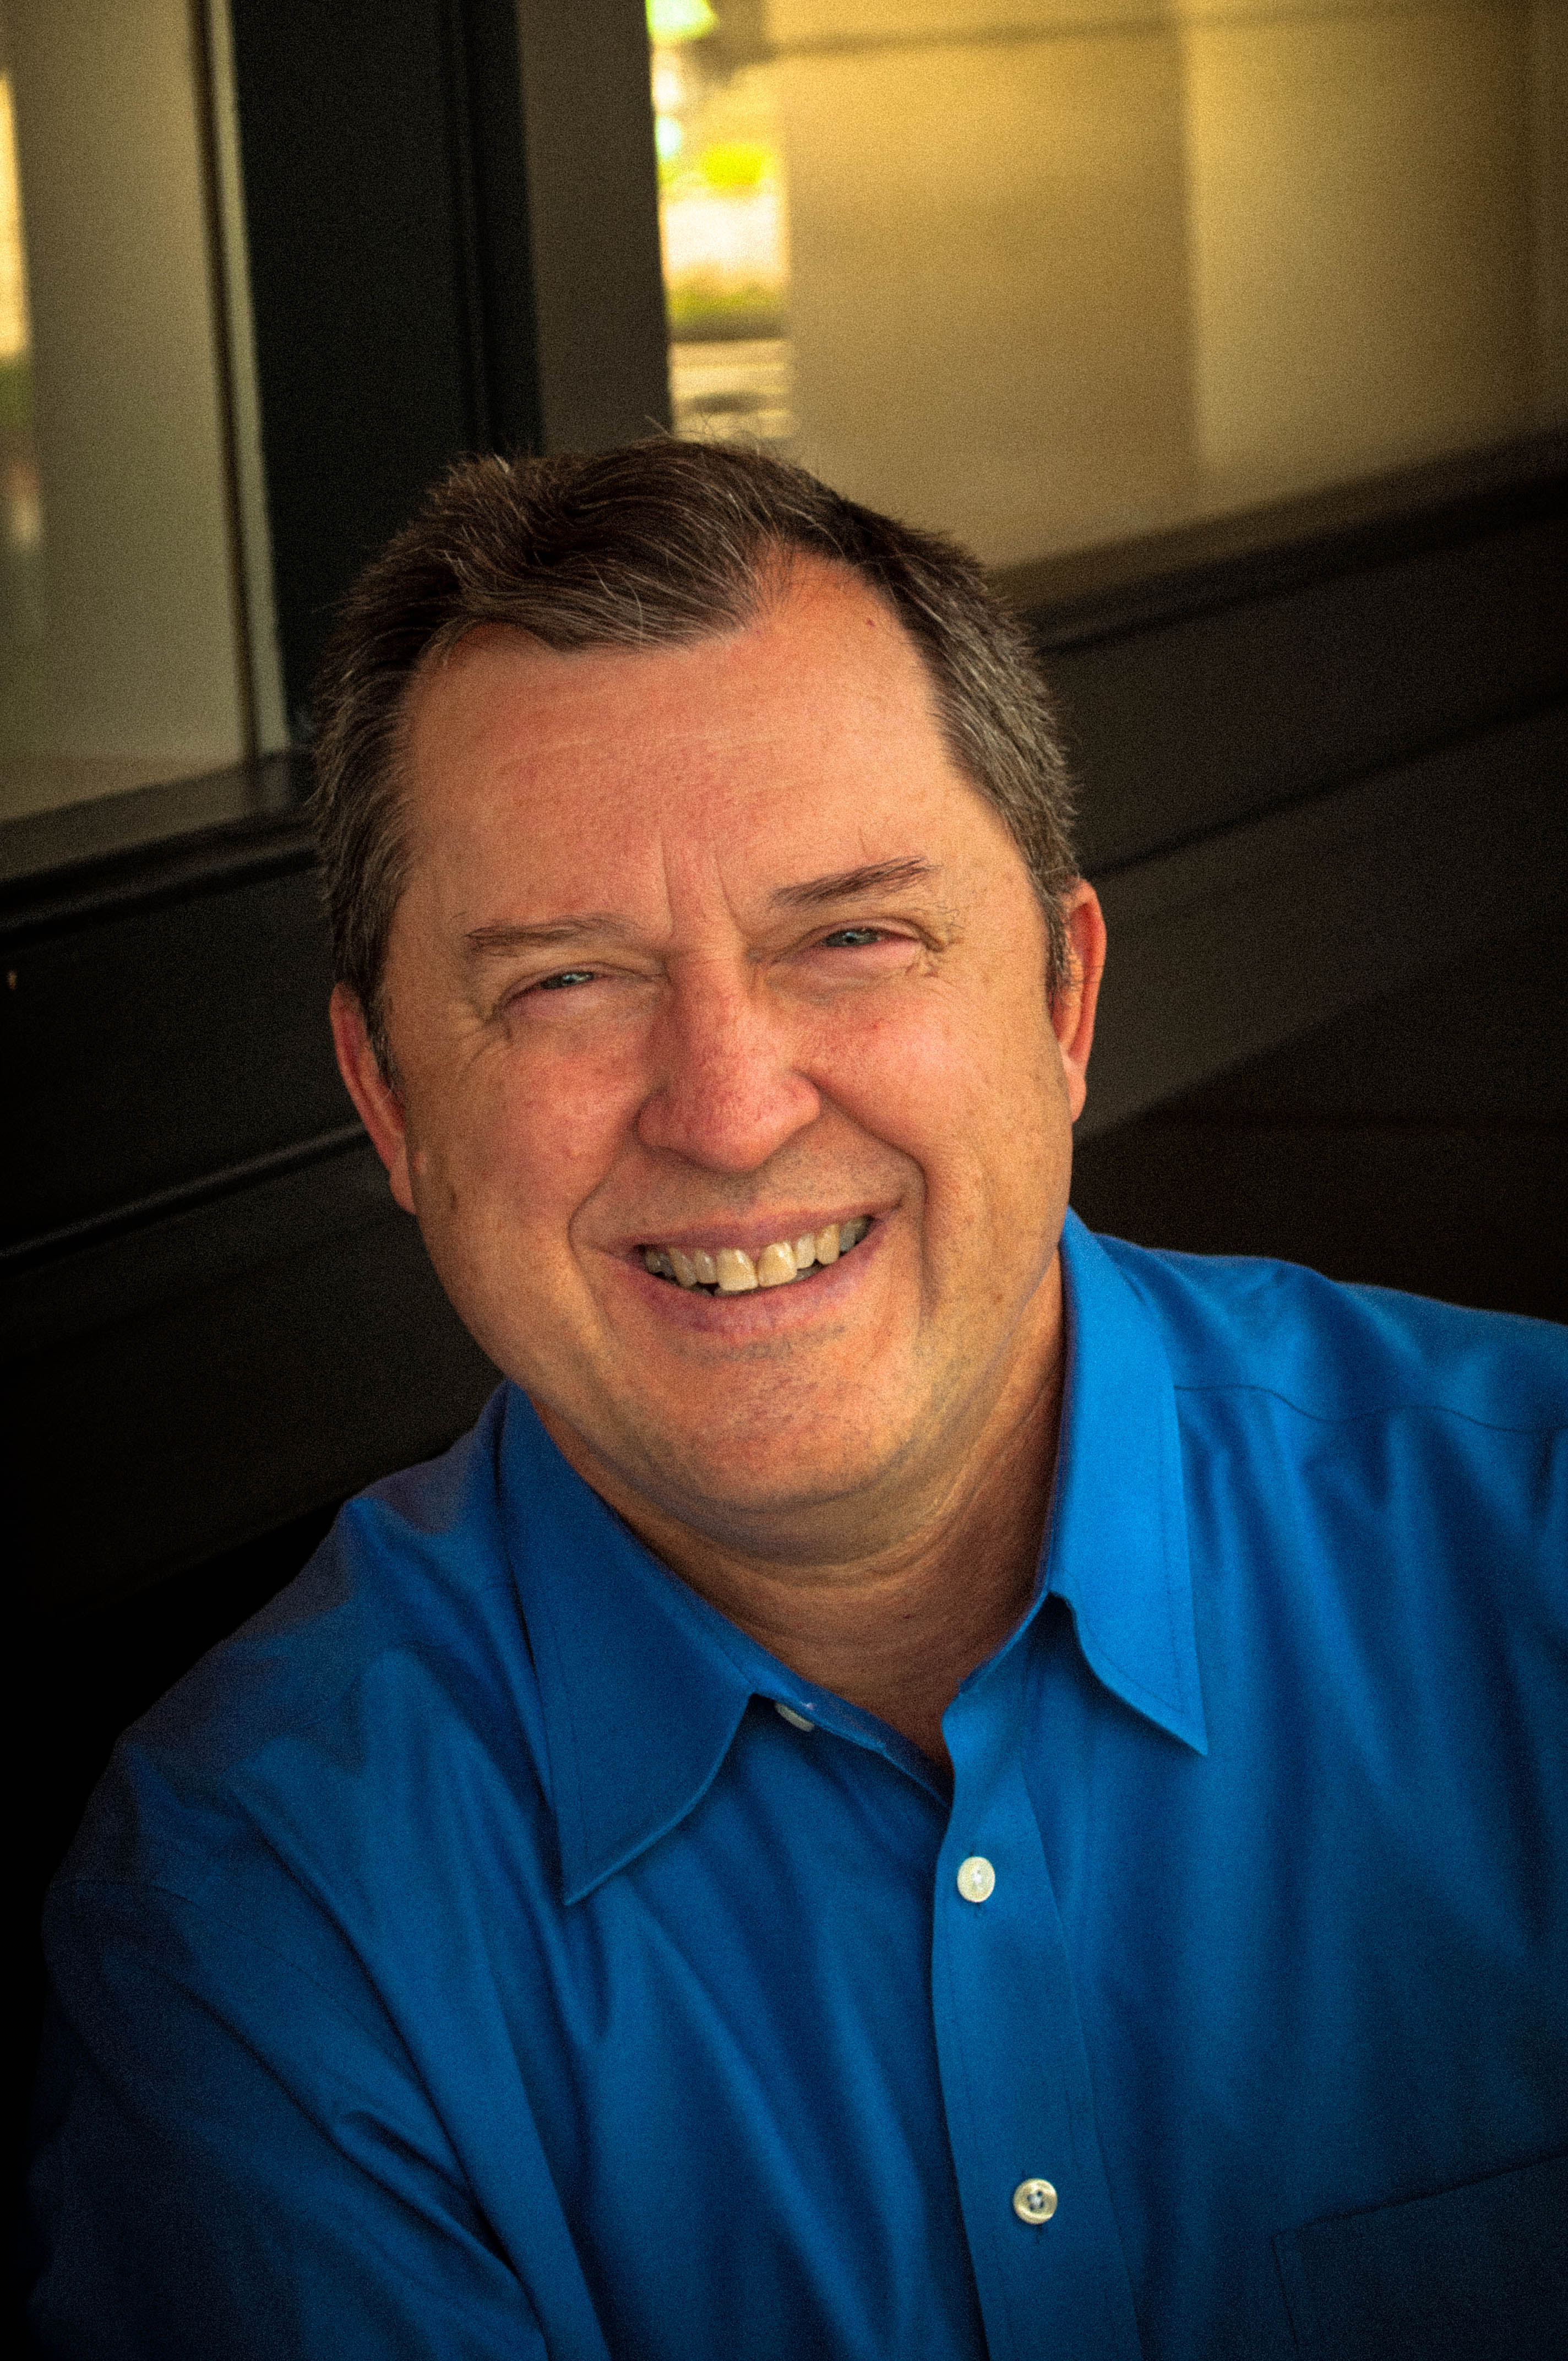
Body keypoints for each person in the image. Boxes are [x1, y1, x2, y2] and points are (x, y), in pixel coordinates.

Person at [26, 442, 1568, 2361]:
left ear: (1064, 1002)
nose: (732, 1108)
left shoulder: (1539, 1555)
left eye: (850, 936)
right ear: (390, 1102)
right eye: (568, 980)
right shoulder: (263, 1904)